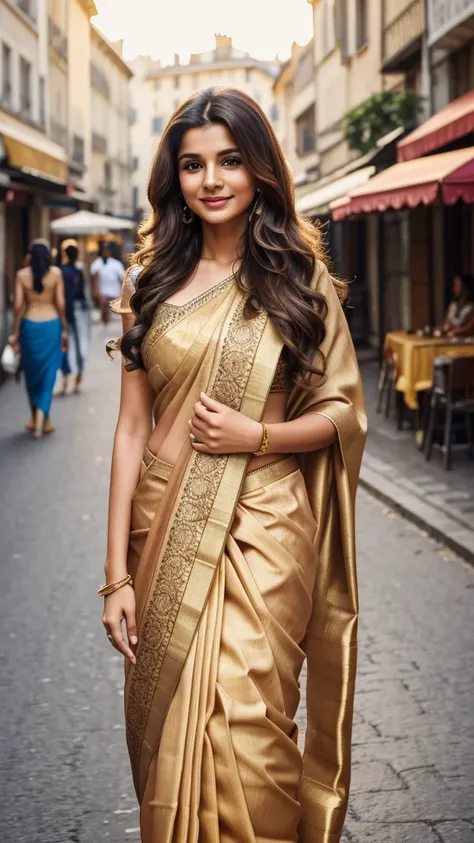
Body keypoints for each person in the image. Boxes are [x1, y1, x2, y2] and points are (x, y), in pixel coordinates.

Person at [101, 88, 367, 843]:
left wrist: (259, 435)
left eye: (230, 160)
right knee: (172, 742)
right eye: (193, 164)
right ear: (174, 177)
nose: (212, 179)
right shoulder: (144, 285)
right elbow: (129, 431)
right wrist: (115, 574)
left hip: (268, 529)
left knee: (251, 728)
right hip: (162, 534)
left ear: (259, 171)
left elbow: (343, 412)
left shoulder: (296, 279)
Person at [9, 239, 68, 438]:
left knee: (32, 375)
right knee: (48, 373)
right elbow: (60, 304)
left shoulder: (21, 276)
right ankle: (44, 419)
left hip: (30, 327)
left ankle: (36, 417)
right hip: (51, 326)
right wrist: (65, 328)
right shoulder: (56, 274)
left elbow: (18, 306)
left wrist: (15, 333)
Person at [60, 244, 91, 394]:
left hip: (67, 310)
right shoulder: (76, 271)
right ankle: (77, 375)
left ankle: (68, 377)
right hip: (78, 310)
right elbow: (82, 293)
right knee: (79, 343)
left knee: (67, 344)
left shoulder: (62, 271)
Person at [90, 242, 125, 326]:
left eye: (107, 250)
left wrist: (123, 296)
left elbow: (122, 280)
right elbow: (94, 281)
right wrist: (96, 295)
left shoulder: (116, 264)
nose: (105, 252)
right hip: (102, 297)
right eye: (103, 250)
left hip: (115, 296)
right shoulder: (96, 264)